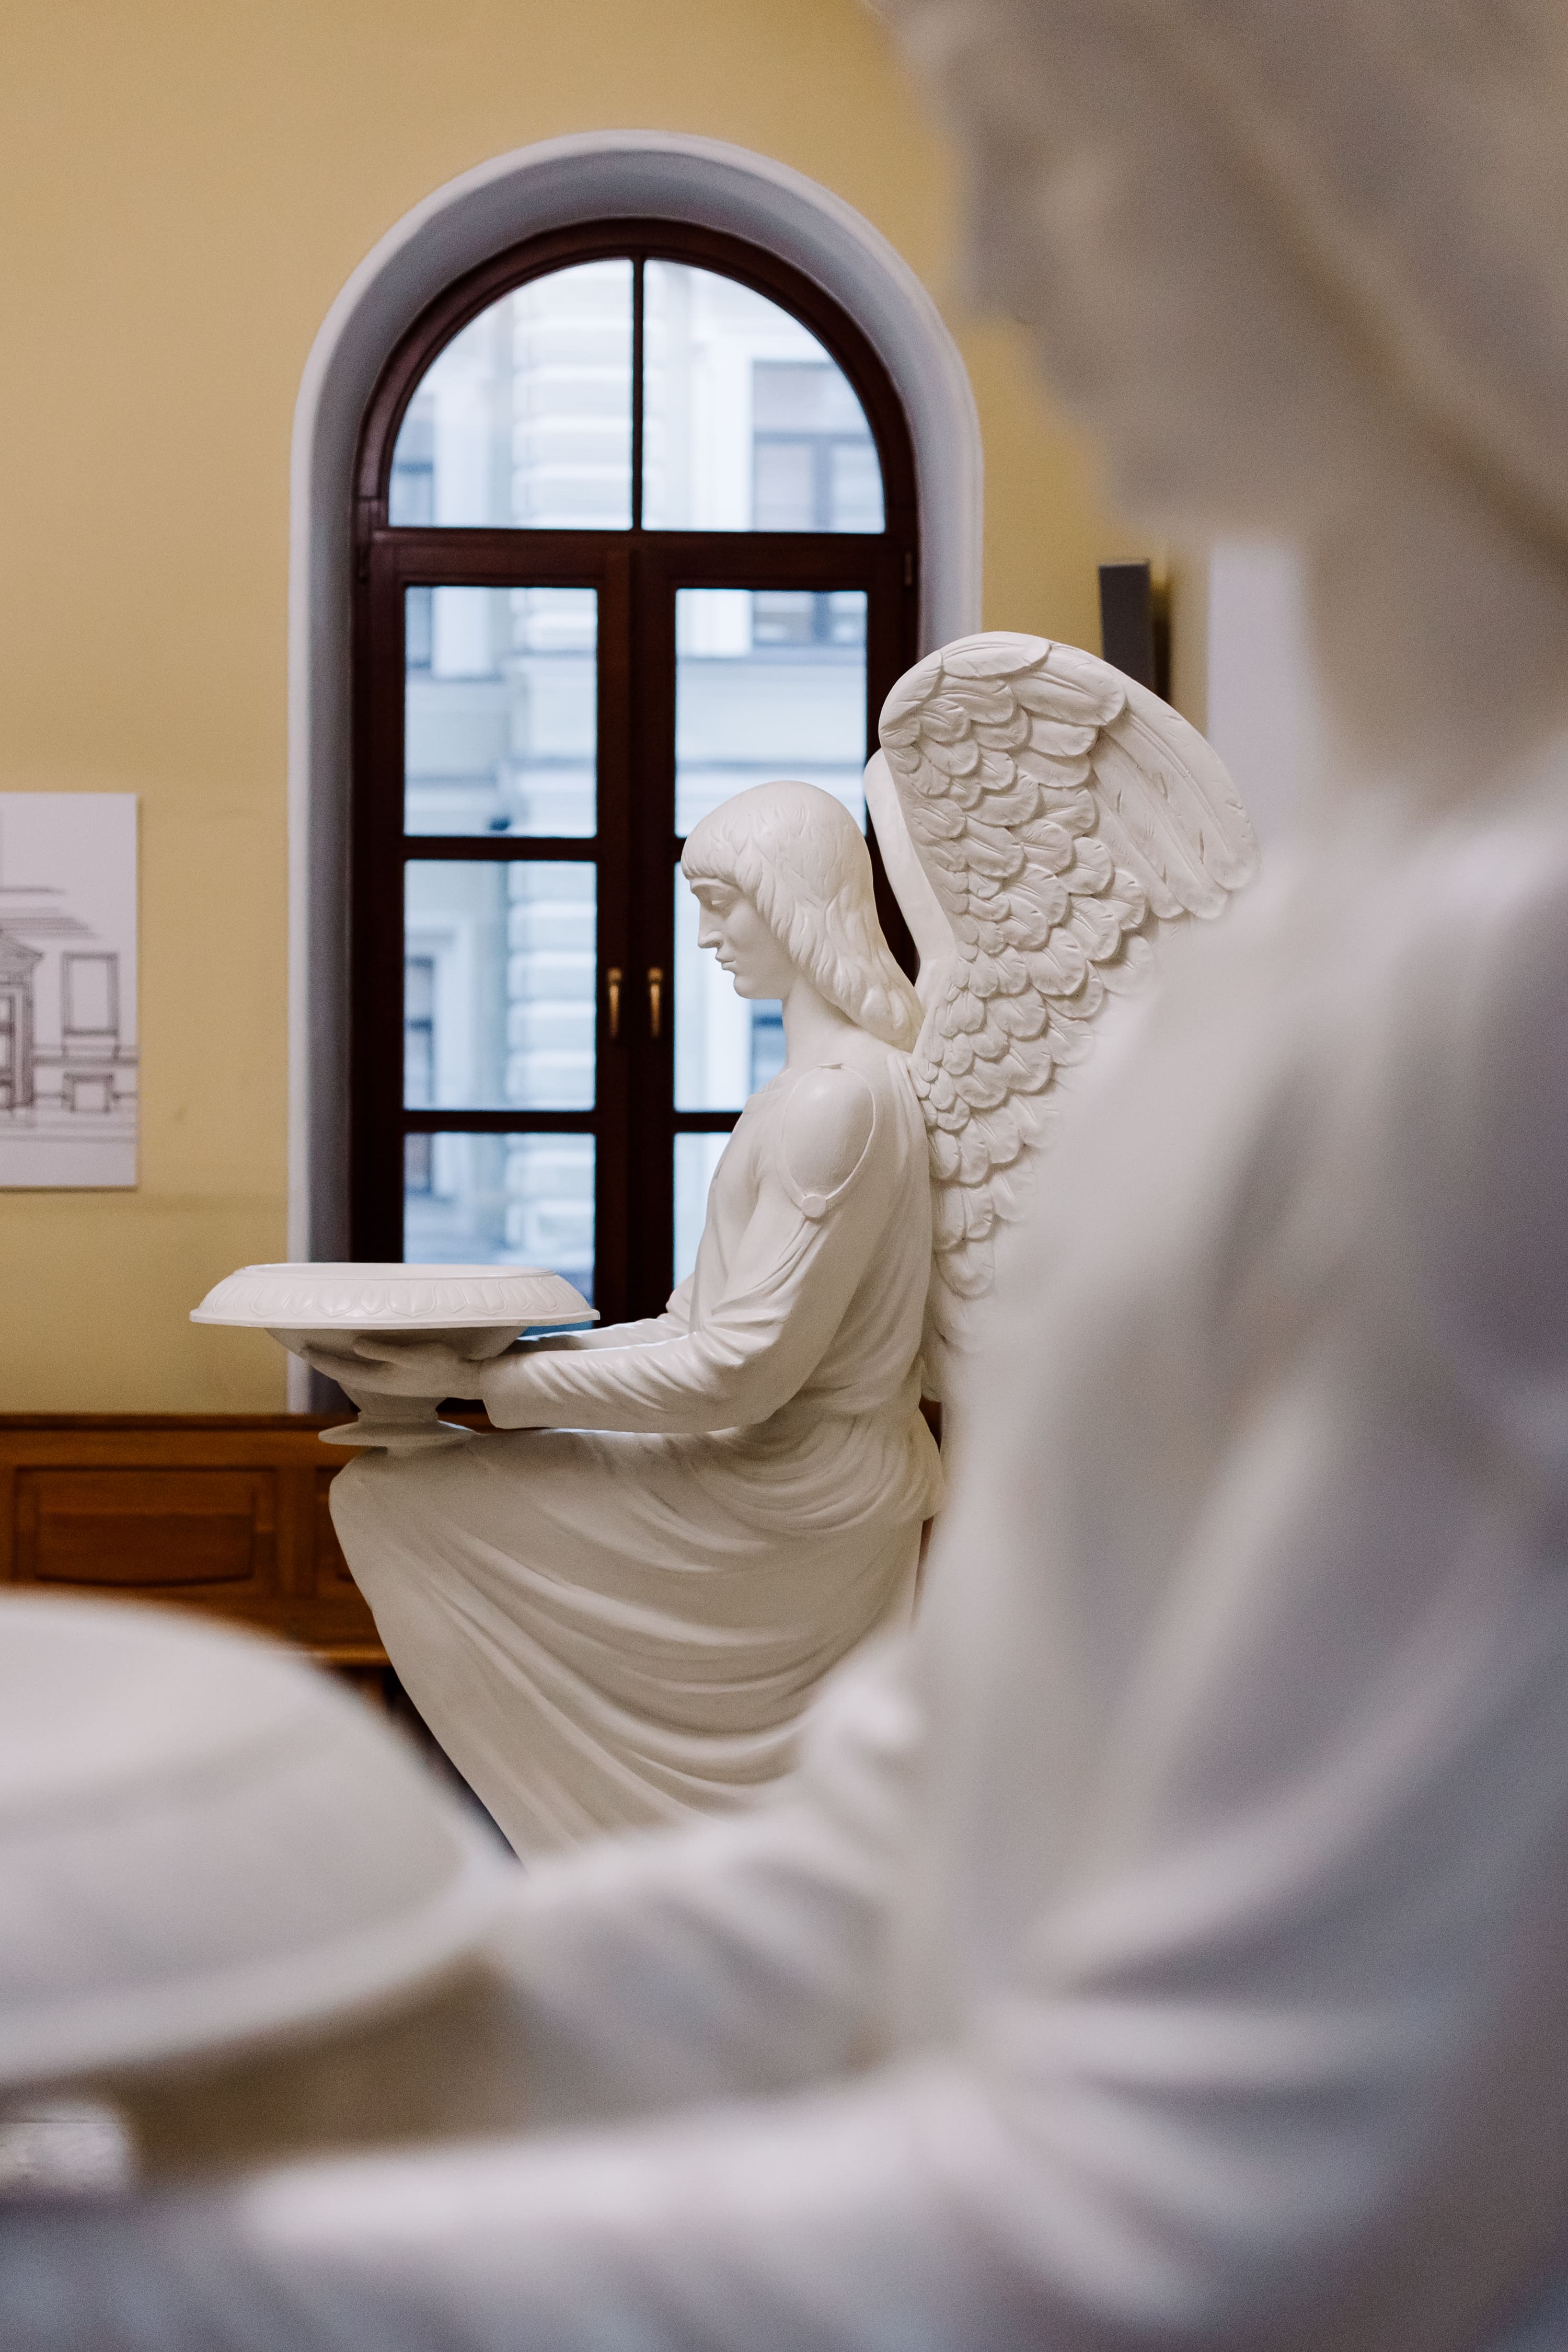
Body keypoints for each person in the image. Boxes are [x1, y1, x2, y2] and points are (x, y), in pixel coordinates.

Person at [9, 3, 1568, 2343]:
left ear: (1360, 178)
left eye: (1055, 152)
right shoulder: (1279, 989)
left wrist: (156, 2279)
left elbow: (1225, 2194)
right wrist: (231, 2097)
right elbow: (910, 1860)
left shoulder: (1500, 1017)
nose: (998, 266)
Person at [311, 781, 943, 1854]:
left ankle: (595, 1841)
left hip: (788, 1488)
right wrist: (497, 1359)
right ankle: (604, 1842)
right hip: (777, 1464)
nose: (705, 937)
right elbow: (696, 1323)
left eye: (721, 903)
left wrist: (483, 1385)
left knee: (390, 1501)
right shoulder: (817, 1090)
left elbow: (739, 1370)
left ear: (791, 900)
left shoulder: (839, 1101)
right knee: (384, 1492)